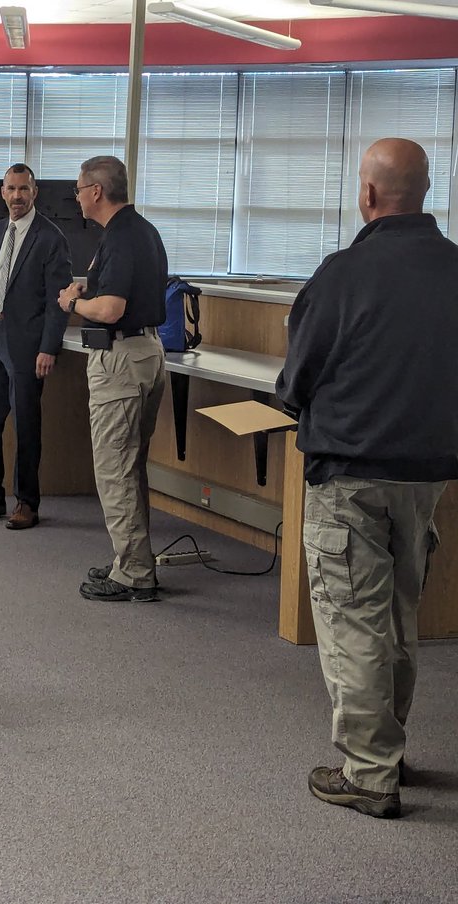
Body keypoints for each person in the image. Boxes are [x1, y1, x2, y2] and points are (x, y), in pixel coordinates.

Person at [276, 138, 458, 820]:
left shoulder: (344, 273)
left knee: (353, 620)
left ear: (371, 196)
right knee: (398, 617)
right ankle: (389, 747)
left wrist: (298, 400)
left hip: (350, 471)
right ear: (426, 191)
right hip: (427, 477)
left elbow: (298, 376)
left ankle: (370, 772)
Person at [58, 155, 168, 600]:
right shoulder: (138, 230)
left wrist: (73, 302)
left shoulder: (121, 235)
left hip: (122, 359)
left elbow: (111, 310)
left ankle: (135, 574)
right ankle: (131, 559)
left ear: (96, 191)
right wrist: (90, 288)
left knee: (114, 469)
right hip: (145, 352)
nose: (77, 197)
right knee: (129, 464)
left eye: (79, 189)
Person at [0, 163, 72, 530]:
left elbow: (59, 300)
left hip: (26, 345)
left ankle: (27, 501)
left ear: (34, 192)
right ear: (2, 193)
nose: (17, 196)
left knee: (26, 425)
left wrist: (48, 347)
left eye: (24, 189)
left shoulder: (50, 237)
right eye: (11, 189)